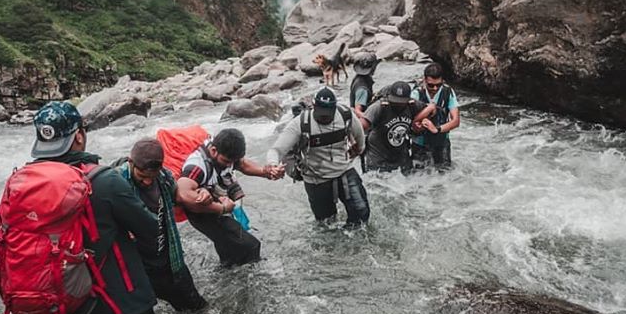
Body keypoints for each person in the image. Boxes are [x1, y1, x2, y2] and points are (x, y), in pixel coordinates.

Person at [27, 102, 158, 314]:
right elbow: (149, 230)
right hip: (105, 304)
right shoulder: (105, 180)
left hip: (50, 304)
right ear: (79, 137)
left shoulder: (23, 183)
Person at [116, 138, 208, 314]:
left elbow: (180, 196)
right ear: (131, 162)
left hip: (168, 259)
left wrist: (202, 192)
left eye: (152, 176)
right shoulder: (116, 183)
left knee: (197, 308)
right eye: (142, 176)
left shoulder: (164, 177)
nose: (148, 181)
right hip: (136, 269)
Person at [175, 128, 283, 266]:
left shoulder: (226, 154)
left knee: (228, 246)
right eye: (226, 161)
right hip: (202, 212)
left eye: (233, 161)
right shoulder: (197, 165)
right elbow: (182, 193)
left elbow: (243, 164)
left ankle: (227, 269)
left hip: (219, 201)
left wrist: (266, 172)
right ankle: (251, 278)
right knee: (250, 246)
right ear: (213, 151)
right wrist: (221, 208)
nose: (230, 165)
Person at [267, 87, 369, 228]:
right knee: (327, 225)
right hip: (316, 178)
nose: (324, 117)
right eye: (321, 113)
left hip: (344, 170)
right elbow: (276, 150)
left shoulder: (346, 114)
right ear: (314, 106)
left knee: (361, 212)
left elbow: (360, 137)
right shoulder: (300, 124)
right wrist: (272, 165)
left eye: (328, 114)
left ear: (335, 107)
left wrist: (357, 151)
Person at [361, 81, 435, 174]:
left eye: (401, 102)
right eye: (394, 101)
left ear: (408, 100)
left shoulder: (413, 105)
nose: (398, 104)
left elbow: (432, 110)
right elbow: (360, 128)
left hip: (401, 156)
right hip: (378, 157)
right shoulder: (379, 107)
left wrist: (417, 123)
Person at [410, 63, 461, 169]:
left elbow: (456, 121)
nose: (435, 88)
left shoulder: (448, 92)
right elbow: (411, 121)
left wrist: (437, 129)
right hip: (420, 143)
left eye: (438, 84)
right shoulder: (416, 94)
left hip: (441, 141)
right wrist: (428, 109)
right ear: (424, 80)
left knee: (445, 176)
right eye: (431, 85)